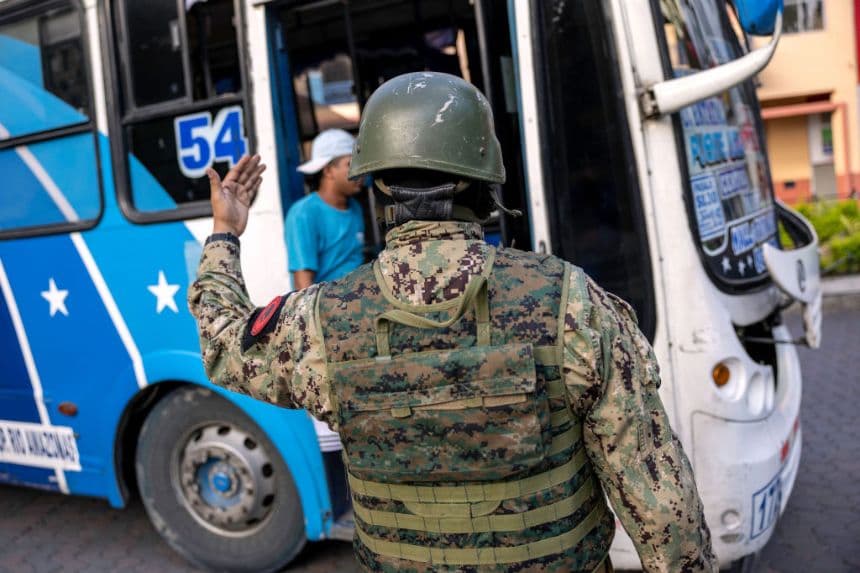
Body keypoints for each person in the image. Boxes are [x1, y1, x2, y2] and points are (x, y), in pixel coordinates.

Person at [189, 72, 718, 572]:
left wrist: (224, 233)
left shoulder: (320, 322)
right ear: (485, 185)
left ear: (378, 189)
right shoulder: (569, 302)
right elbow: (662, 505)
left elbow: (222, 343)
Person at [287, 128, 365, 290]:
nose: (360, 172)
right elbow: (303, 285)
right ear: (328, 170)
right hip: (329, 310)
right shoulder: (303, 214)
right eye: (350, 164)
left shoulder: (355, 207)